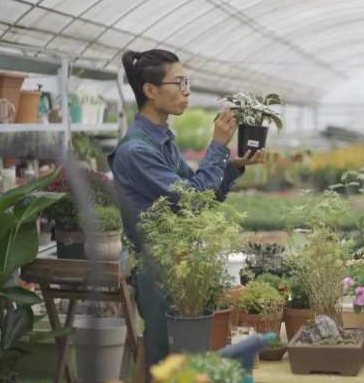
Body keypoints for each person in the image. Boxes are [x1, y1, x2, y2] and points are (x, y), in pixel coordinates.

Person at [108, 49, 265, 375]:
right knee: (166, 361)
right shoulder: (136, 151)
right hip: (158, 270)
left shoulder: (162, 139)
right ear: (151, 91)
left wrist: (233, 166)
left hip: (178, 264)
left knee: (184, 364)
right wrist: (218, 145)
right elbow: (193, 199)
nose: (187, 91)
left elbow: (199, 200)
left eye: (187, 82)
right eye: (179, 83)